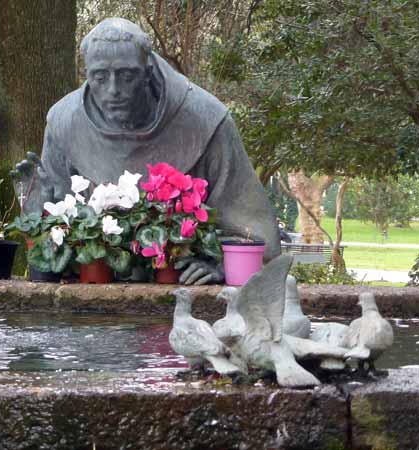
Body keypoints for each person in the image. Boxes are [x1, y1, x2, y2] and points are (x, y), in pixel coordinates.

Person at [14, 18, 280, 284]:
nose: (113, 90)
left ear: (148, 71)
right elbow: (53, 260)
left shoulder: (207, 120)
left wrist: (221, 265)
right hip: (94, 301)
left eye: (127, 76)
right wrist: (37, 221)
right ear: (87, 74)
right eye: (99, 77)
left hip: (184, 297)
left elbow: (255, 234)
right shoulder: (64, 122)